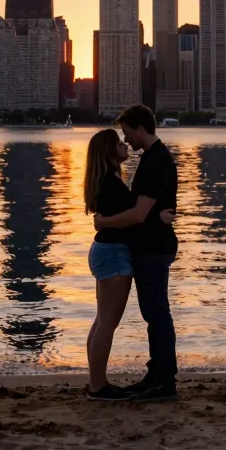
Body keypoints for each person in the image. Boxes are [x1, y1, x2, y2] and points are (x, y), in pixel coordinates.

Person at [94, 104, 179, 402]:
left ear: (141, 129)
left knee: (157, 314)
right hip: (149, 246)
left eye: (128, 133)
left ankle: (164, 380)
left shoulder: (156, 161)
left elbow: (139, 213)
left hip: (154, 248)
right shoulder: (151, 158)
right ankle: (157, 375)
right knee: (153, 314)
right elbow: (145, 211)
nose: (126, 140)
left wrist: (103, 222)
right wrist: (158, 217)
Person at [83, 128, 141, 401]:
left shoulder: (103, 181)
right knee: (107, 323)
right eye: (119, 143)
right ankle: (97, 386)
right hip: (114, 252)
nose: (124, 145)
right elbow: (132, 216)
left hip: (104, 250)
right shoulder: (111, 183)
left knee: (101, 321)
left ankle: (96, 381)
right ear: (109, 151)